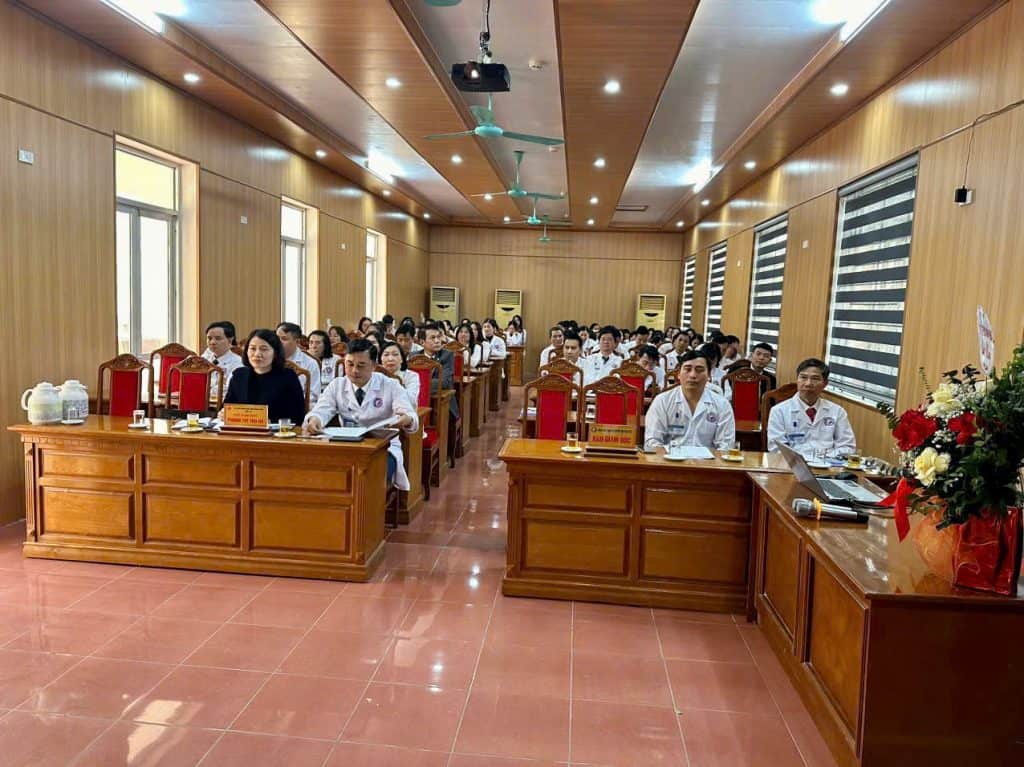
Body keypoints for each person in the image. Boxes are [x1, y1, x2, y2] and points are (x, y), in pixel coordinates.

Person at [304, 339, 419, 490]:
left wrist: (406, 419)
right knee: (326, 476)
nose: (354, 371)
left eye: (361, 365)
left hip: (383, 449)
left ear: (373, 366)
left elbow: (408, 414)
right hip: (347, 446)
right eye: (350, 364)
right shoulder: (337, 385)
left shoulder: (390, 385)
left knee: (368, 481)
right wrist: (315, 420)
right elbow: (321, 410)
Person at [644, 350, 735, 452]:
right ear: (678, 374)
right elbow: (652, 443)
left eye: (699, 370)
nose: (692, 375)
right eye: (687, 369)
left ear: (709, 375)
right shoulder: (662, 401)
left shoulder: (722, 405)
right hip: (669, 460)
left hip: (708, 461)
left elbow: (726, 446)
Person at [766, 358, 856, 457]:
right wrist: (803, 460)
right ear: (797, 380)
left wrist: (824, 458)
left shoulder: (837, 411)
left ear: (825, 384)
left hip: (829, 463)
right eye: (803, 377)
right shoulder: (779, 411)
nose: (808, 383)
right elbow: (776, 448)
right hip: (792, 464)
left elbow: (847, 447)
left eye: (815, 379)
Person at [223, 328, 306, 423]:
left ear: (275, 353)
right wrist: (224, 413)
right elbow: (228, 406)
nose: (257, 354)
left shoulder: (288, 377)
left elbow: (298, 415)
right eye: (252, 348)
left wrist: (268, 421)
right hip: (241, 430)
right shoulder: (239, 375)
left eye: (264, 349)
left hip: (276, 430)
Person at [276, 322, 321, 405]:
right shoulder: (268, 359)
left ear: (297, 341)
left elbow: (313, 395)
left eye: (284, 339)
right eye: (276, 338)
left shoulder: (310, 363)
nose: (278, 342)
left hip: (297, 405)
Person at [422, 322, 459, 419]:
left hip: (443, 404)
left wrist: (418, 384)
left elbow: (444, 382)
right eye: (432, 338)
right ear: (422, 342)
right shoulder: (414, 357)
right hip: (420, 400)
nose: (437, 341)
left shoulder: (447, 355)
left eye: (438, 337)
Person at [201, 321, 242, 391]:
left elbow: (230, 389)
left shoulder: (238, 363)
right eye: (209, 338)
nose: (212, 342)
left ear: (230, 340)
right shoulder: (204, 358)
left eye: (218, 338)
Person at [379, 340, 420, 406]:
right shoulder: (375, 376)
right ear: (380, 360)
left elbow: (411, 399)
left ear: (402, 359)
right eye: (386, 355)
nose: (390, 359)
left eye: (395, 354)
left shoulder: (411, 376)